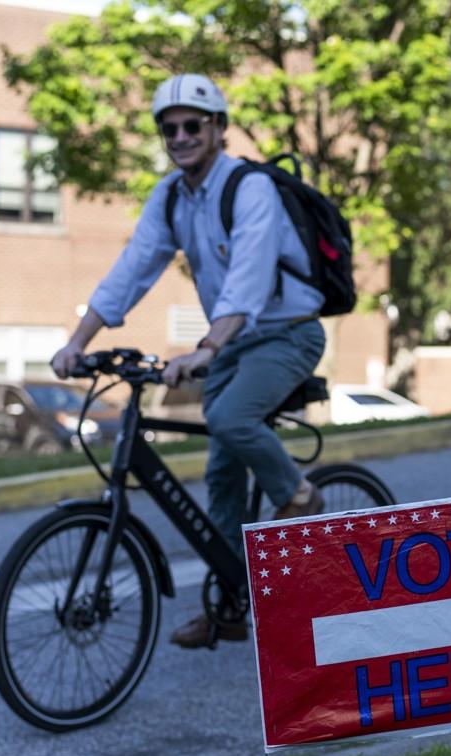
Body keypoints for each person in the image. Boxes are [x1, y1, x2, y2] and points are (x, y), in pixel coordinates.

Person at [50, 73, 326, 649]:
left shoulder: (250, 188)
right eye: (169, 128)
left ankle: (299, 495)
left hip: (285, 335)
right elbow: (133, 268)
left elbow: (248, 283)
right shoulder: (171, 196)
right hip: (227, 343)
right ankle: (229, 608)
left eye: (192, 125)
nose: (180, 136)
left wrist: (206, 349)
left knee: (230, 421)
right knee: (222, 475)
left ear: (219, 128)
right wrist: (77, 341)